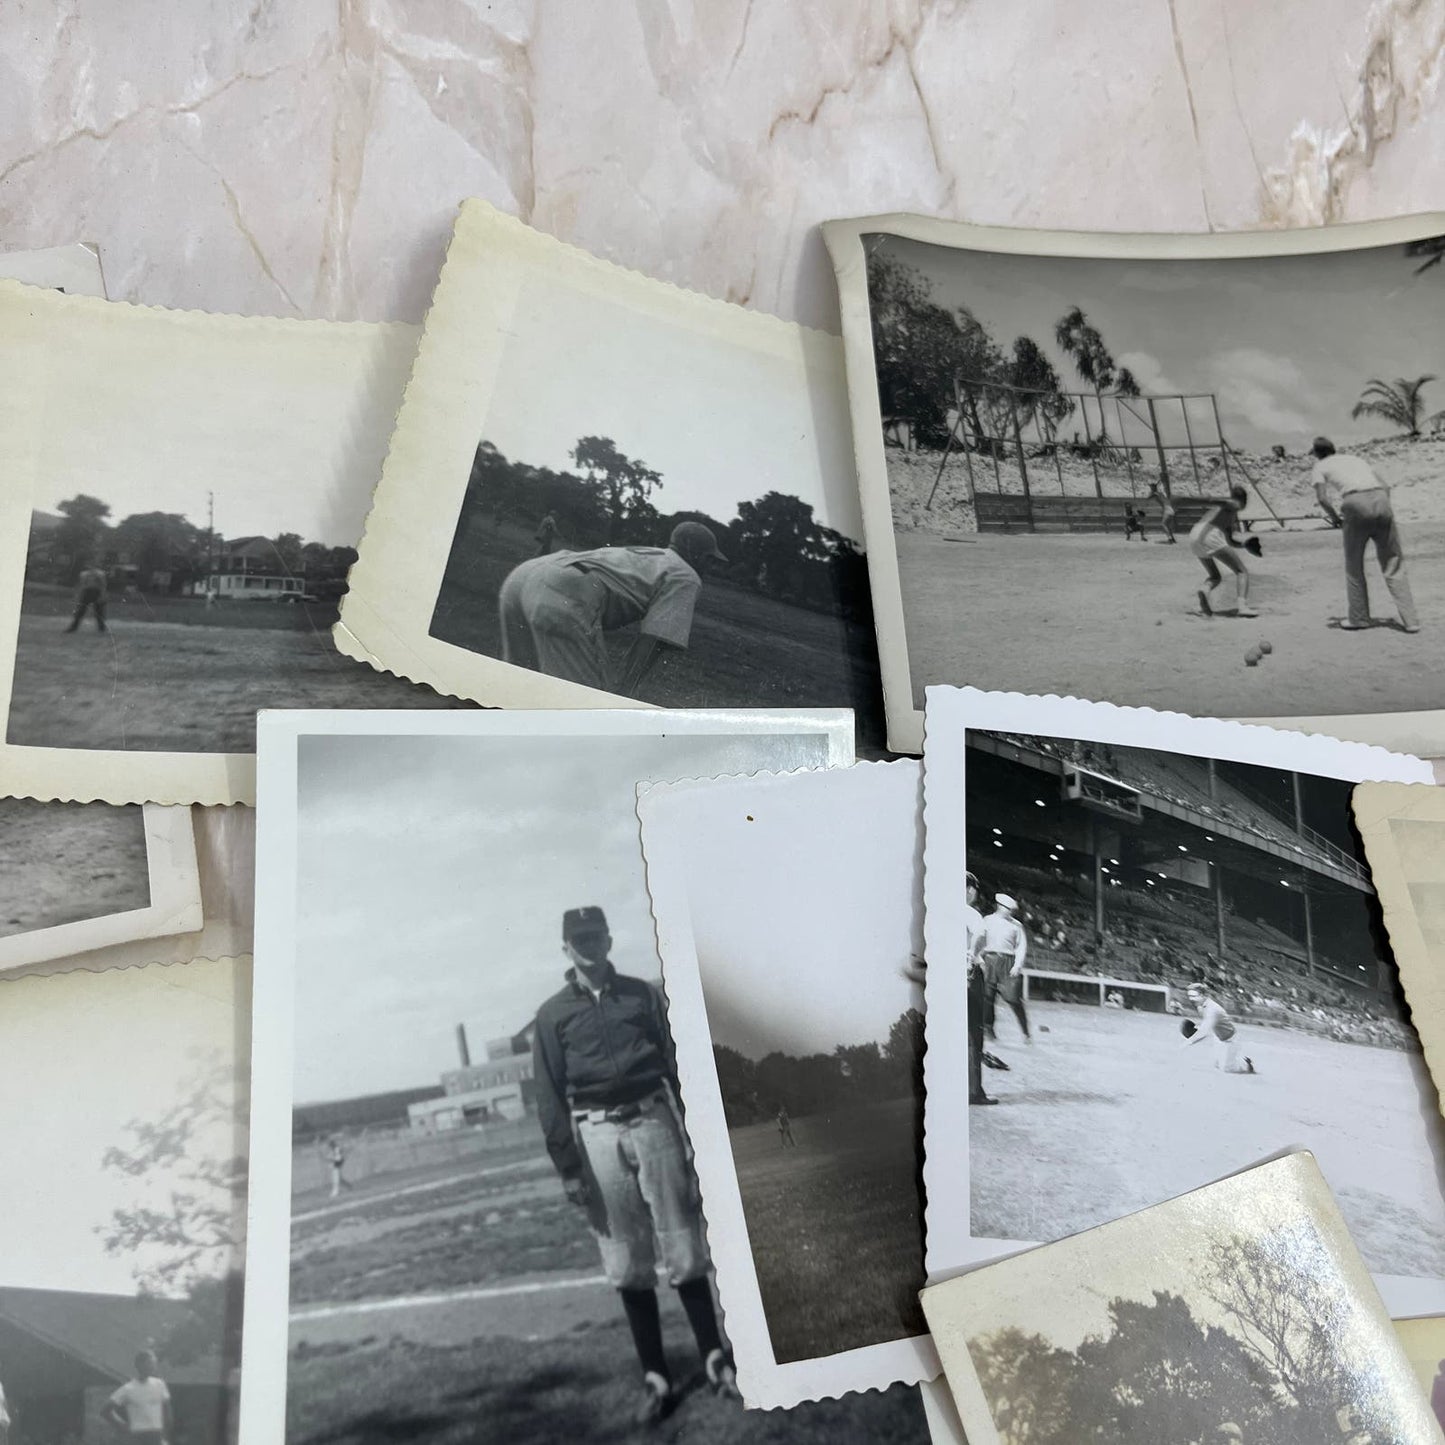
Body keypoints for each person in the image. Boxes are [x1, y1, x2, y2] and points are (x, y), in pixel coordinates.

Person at [532, 906, 740, 1425]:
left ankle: (715, 1359)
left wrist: (696, 1135)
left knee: (684, 1246)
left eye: (595, 936)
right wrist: (569, 1168)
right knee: (626, 1260)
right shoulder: (552, 1014)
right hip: (596, 1133)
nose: (589, 946)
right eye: (578, 940)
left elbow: (676, 1064)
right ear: (566, 948)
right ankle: (656, 1375)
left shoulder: (640, 994)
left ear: (607, 938)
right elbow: (550, 1095)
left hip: (653, 1121)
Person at [498, 522, 727, 694]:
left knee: (516, 690)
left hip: (526, 574)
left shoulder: (654, 555)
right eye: (708, 558)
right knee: (589, 707)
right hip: (568, 588)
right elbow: (653, 642)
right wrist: (622, 694)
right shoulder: (686, 575)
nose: (711, 565)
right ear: (693, 552)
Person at [1311, 436, 1420, 633]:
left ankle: (1359, 618)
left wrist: (1335, 518)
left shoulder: (1320, 466)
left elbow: (1322, 498)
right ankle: (1411, 621)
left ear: (1317, 454)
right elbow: (1386, 486)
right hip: (1380, 499)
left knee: (1354, 565)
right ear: (1333, 449)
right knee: (1393, 562)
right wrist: (1380, 506)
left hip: (1355, 503)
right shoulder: (1356, 460)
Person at [1189, 484, 1257, 619]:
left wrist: (1245, 545)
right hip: (1209, 534)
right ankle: (1242, 607)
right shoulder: (1234, 504)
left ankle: (1204, 590)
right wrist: (1184, 499)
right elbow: (1213, 500)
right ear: (1244, 499)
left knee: (1215, 576)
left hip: (1195, 535)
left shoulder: (1223, 512)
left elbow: (1230, 541)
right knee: (1241, 571)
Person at [973, 893, 1031, 1043]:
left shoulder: (1017, 925)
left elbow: (1021, 947)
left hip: (1008, 961)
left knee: (1013, 998)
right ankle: (989, 1030)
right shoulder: (987, 921)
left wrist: (1017, 965)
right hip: (989, 960)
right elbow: (979, 939)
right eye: (1008, 909)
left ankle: (1026, 1033)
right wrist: (978, 957)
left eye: (1012, 910)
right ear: (1000, 907)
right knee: (988, 997)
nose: (1011, 912)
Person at [1182, 983, 1255, 1074]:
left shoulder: (1213, 1009)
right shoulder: (1201, 1006)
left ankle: (1246, 1064)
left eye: (1193, 996)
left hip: (1229, 1039)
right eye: (1189, 996)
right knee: (1216, 1064)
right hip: (1218, 1037)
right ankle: (1231, 1059)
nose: (1190, 998)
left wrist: (1189, 1041)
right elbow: (1208, 1023)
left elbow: (1204, 1032)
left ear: (1202, 995)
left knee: (1227, 1069)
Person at [101, 1351, 171, 1445]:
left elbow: (167, 1412)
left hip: (156, 1435)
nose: (153, 1366)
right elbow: (105, 1410)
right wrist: (122, 1425)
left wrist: (165, 1436)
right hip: (138, 1436)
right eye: (149, 1363)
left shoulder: (159, 1384)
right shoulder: (128, 1388)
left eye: (154, 1363)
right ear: (139, 1365)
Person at [65, 561, 109, 633]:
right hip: (87, 592)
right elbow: (82, 585)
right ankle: (73, 627)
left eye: (93, 565)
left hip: (96, 592)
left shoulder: (100, 574)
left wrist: (102, 595)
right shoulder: (84, 574)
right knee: (80, 611)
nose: (92, 567)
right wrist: (79, 595)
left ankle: (102, 628)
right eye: (90, 565)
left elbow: (103, 585)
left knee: (99, 612)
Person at [1432, 1357, 1445, 1427]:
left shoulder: (1437, 1380)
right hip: (1440, 1412)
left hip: (1439, 1412)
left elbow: (1433, 1399)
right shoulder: (1438, 1380)